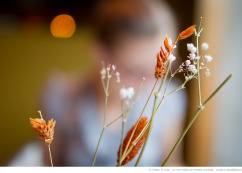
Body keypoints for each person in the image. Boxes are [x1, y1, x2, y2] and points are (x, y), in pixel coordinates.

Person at [9, 0, 187, 166]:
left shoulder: (170, 99)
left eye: (166, 67)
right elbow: (48, 165)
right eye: (137, 71)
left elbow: (171, 164)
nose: (155, 81)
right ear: (101, 55)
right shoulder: (59, 97)